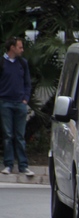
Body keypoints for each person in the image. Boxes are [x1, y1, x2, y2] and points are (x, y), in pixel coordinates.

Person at [0, 36, 34, 176]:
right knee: (8, 135)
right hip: (5, 102)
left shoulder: (22, 63)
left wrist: (25, 99)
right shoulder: (2, 62)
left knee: (20, 136)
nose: (22, 50)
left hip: (20, 103)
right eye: (19, 47)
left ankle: (23, 165)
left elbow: (27, 82)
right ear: (12, 48)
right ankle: (8, 164)